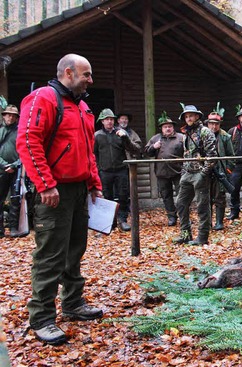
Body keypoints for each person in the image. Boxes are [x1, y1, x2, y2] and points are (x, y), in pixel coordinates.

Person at [16, 54, 103, 345]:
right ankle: (41, 318)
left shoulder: (82, 107)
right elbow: (28, 142)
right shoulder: (44, 98)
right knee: (50, 255)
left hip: (78, 189)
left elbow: (87, 151)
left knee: (75, 249)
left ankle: (73, 303)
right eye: (86, 74)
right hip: (53, 192)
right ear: (69, 73)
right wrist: (45, 185)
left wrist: (94, 183)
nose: (91, 80)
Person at [173, 104, 216, 245]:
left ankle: (202, 237)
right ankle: (185, 234)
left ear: (197, 116)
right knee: (180, 203)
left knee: (202, 206)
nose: (189, 118)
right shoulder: (186, 133)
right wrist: (184, 171)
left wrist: (204, 173)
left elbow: (212, 155)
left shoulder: (205, 132)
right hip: (187, 173)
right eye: (186, 116)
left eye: (191, 115)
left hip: (200, 174)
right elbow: (186, 154)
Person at [93, 108, 137, 231]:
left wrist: (125, 138)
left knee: (123, 195)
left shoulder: (121, 133)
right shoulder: (97, 136)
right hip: (105, 171)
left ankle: (122, 220)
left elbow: (134, 149)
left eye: (111, 119)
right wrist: (97, 169)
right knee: (107, 197)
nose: (109, 122)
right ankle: (109, 223)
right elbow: (93, 154)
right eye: (107, 119)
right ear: (102, 121)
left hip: (121, 170)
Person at [143, 112, 184, 226]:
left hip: (178, 172)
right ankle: (172, 217)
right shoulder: (155, 138)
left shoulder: (181, 138)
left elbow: (188, 152)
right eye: (165, 127)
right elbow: (146, 152)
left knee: (182, 195)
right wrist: (153, 147)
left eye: (170, 126)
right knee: (166, 196)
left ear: (173, 127)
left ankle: (183, 216)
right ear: (161, 128)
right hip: (162, 173)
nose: (168, 129)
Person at [206, 110, 234, 230]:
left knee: (219, 197)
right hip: (206, 171)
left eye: (216, 124)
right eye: (211, 123)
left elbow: (231, 156)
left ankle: (219, 222)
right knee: (206, 198)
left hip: (220, 171)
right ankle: (207, 223)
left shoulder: (225, 137)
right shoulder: (203, 135)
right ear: (208, 124)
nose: (214, 126)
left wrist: (227, 170)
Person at [0, 105, 21, 237]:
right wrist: (4, 165)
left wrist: (14, 165)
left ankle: (14, 228)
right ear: (3, 116)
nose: (10, 117)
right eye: (8, 114)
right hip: (1, 170)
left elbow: (24, 153)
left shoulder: (20, 133)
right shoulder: (0, 131)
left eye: (13, 115)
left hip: (16, 171)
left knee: (15, 199)